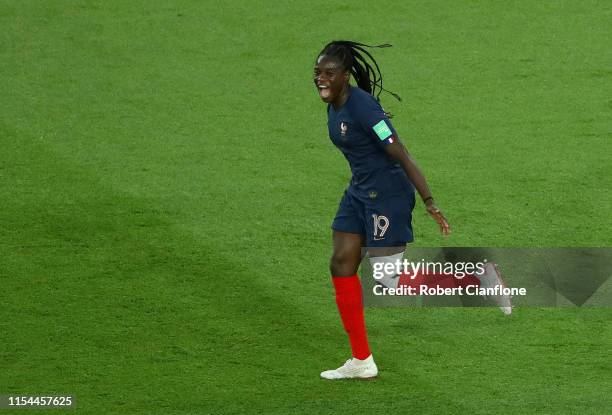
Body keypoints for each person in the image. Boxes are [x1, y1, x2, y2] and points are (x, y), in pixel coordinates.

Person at [313, 40, 451, 380]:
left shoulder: (364, 109)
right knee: (341, 262)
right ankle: (362, 361)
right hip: (359, 192)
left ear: (345, 76)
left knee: (388, 280)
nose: (321, 79)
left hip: (387, 195)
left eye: (329, 73)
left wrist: (429, 201)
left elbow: (400, 152)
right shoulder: (334, 102)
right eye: (317, 73)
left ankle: (477, 278)